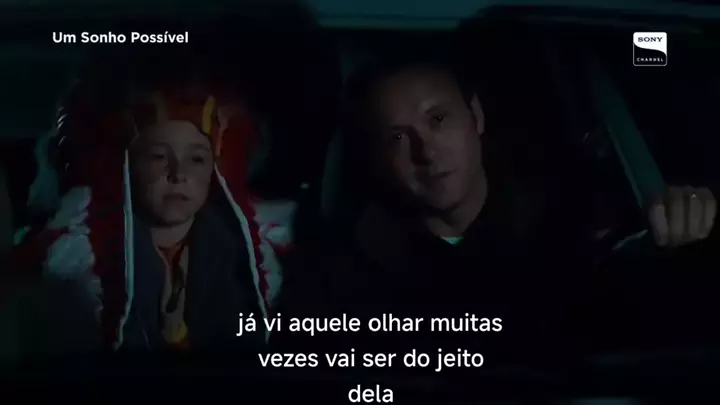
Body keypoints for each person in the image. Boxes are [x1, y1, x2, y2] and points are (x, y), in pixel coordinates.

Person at [282, 53, 719, 373]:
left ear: (475, 116)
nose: (426, 152)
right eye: (398, 137)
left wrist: (687, 233)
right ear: (376, 157)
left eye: (438, 119)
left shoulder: (577, 220)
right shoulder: (342, 267)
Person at [9, 78, 296, 356]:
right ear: (127, 165)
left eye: (196, 158)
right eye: (158, 156)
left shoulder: (255, 256)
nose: (178, 174)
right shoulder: (76, 257)